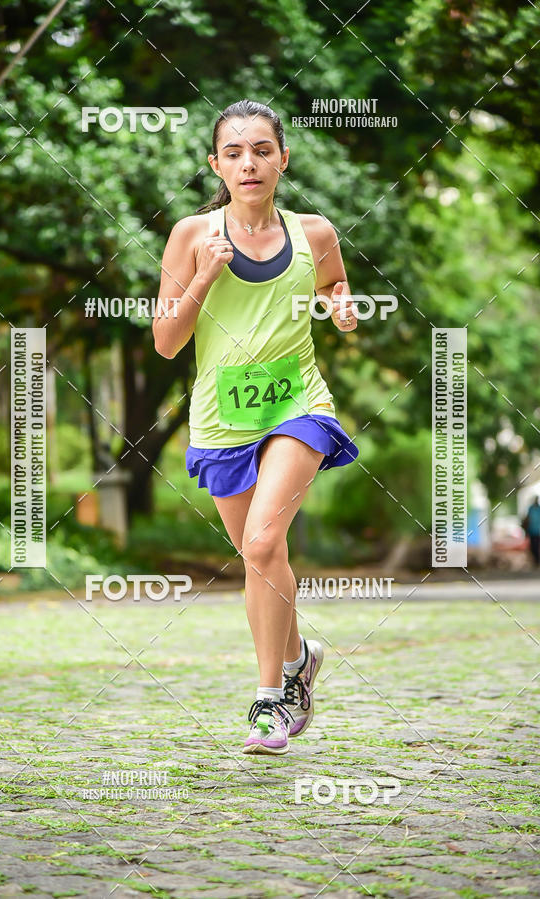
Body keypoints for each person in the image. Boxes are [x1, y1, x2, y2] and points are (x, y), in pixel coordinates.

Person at [153, 99, 359, 755]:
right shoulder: (191, 235)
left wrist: (341, 303)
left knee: (267, 540)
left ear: (282, 159)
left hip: (299, 405)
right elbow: (164, 339)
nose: (250, 163)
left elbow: (332, 277)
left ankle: (270, 700)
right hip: (222, 419)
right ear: (217, 163)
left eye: (262, 150)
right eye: (235, 153)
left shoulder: (314, 231)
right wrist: (207, 272)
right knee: (259, 558)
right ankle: (299, 655)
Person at [524, 496, 540, 567]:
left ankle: (537, 560)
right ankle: (536, 560)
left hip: (538, 531)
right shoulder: (531, 508)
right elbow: (528, 519)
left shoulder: (539, 509)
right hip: (532, 531)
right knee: (533, 546)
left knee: (536, 546)